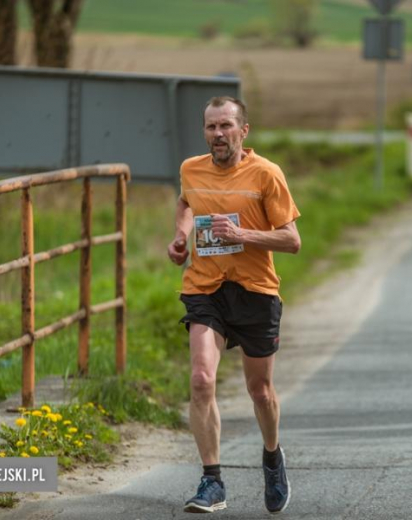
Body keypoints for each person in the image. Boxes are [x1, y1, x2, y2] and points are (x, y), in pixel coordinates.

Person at [167, 96, 301, 514]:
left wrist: (244, 236)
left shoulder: (266, 174)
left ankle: (272, 457)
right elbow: (187, 201)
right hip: (206, 288)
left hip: (256, 290)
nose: (217, 134)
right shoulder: (192, 168)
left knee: (259, 391)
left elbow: (292, 240)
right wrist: (180, 236)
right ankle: (212, 481)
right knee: (202, 380)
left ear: (244, 131)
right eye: (210, 127)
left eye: (226, 126)